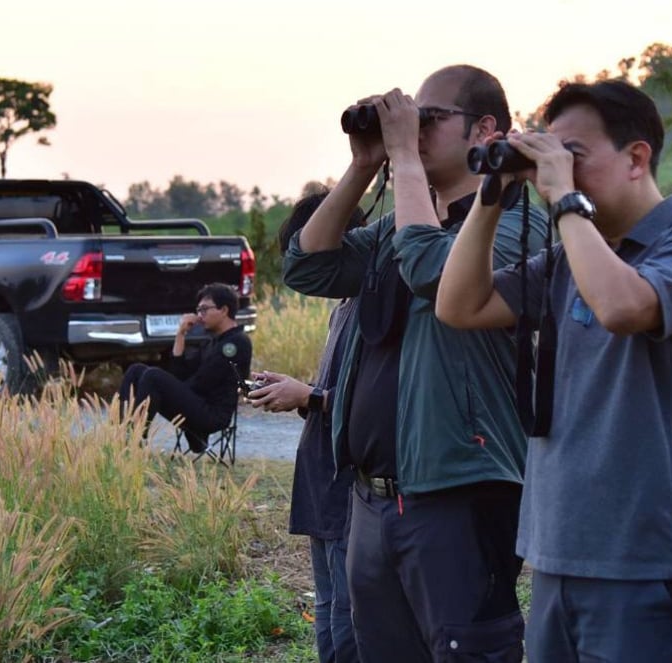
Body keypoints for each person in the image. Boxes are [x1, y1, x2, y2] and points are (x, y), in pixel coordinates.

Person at [435, 79, 672, 662]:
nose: (555, 173)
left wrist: (566, 201)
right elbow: (458, 306)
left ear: (636, 158)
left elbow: (622, 307)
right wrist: (490, 195)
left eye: (573, 156)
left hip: (646, 561)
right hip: (557, 553)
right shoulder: (574, 253)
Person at [283, 64, 548, 662]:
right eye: (411, 120)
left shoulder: (516, 227)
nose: (415, 131)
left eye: (430, 119)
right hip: (374, 499)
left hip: (458, 492)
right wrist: (363, 164)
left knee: (466, 650)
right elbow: (308, 266)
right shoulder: (392, 227)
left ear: (484, 131)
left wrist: (402, 157)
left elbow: (433, 270)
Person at [248, 191, 364, 663]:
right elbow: (337, 392)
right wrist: (300, 392)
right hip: (322, 482)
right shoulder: (343, 308)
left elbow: (385, 408)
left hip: (348, 485)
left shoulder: (377, 310)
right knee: (326, 608)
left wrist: (311, 395)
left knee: (346, 615)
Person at [118, 282, 252, 451]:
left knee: (153, 377)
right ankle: (120, 434)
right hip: (198, 403)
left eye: (204, 309)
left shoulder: (235, 343)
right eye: (198, 310)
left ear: (224, 310)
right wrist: (180, 334)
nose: (199, 315)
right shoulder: (212, 341)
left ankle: (133, 442)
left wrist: (168, 389)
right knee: (136, 371)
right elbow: (180, 373)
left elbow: (201, 384)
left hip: (211, 414)